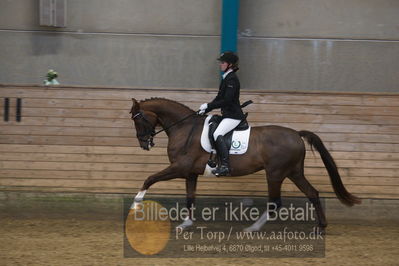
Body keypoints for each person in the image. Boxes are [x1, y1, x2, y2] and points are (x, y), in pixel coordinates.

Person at [198, 51, 245, 176]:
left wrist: (209, 105)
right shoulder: (226, 78)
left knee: (218, 133)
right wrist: (206, 109)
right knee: (211, 122)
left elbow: (227, 100)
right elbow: (219, 98)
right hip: (227, 115)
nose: (220, 65)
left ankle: (225, 166)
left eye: (223, 62)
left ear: (229, 64)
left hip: (233, 116)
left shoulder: (232, 79)